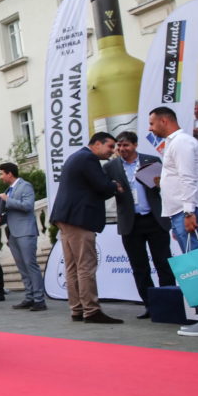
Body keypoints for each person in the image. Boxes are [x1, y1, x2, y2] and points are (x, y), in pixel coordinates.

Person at [50, 132, 123, 324]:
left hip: (67, 218)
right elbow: (101, 186)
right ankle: (91, 310)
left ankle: (77, 309)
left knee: (72, 267)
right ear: (97, 144)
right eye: (110, 146)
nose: (112, 151)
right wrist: (115, 186)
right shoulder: (88, 158)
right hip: (79, 219)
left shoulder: (77, 157)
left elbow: (91, 188)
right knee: (85, 266)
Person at [103, 131, 175, 319]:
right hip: (130, 223)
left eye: (126, 145)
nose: (122, 149)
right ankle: (150, 306)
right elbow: (104, 190)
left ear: (135, 145)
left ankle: (169, 304)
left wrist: (159, 183)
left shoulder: (151, 161)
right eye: (119, 145)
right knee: (139, 267)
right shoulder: (111, 167)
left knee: (163, 263)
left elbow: (164, 186)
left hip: (154, 219)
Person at [147, 107, 198, 337]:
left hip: (186, 211)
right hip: (179, 212)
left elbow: (189, 178)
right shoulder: (175, 143)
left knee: (195, 266)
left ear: (164, 121)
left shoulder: (181, 142)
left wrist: (188, 213)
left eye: (152, 123)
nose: (150, 128)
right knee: (193, 265)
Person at [0, 163, 46, 311]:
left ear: (9, 174)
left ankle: (39, 299)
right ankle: (29, 297)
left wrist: (7, 200)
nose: (0, 177)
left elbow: (28, 206)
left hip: (26, 232)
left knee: (30, 265)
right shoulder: (9, 189)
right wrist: (0, 217)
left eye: (2, 174)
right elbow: (12, 211)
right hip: (13, 233)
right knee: (22, 267)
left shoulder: (25, 186)